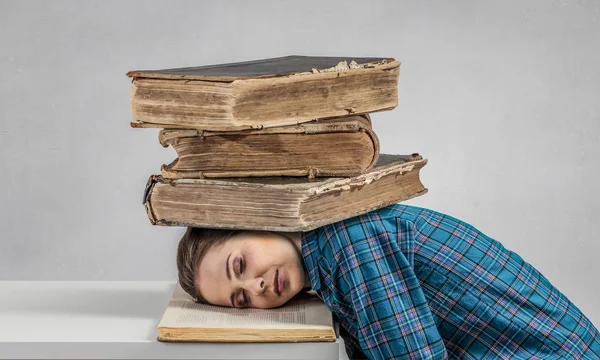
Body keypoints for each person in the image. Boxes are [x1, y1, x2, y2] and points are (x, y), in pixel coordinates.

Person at [176, 203, 600, 359]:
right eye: (241, 300)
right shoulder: (327, 256)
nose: (256, 287)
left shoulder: (348, 240)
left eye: (240, 265)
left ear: (256, 222)